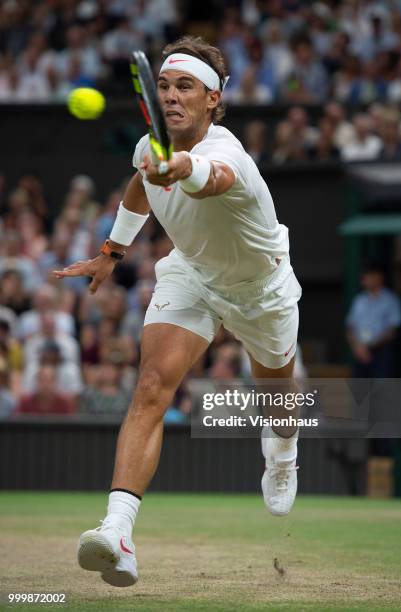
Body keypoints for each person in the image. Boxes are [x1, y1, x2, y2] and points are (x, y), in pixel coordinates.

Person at [54, 36, 302, 588]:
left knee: (279, 403)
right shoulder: (150, 148)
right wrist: (111, 253)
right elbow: (140, 186)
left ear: (213, 99)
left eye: (184, 86)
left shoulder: (228, 154)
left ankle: (283, 455)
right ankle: (117, 532)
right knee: (150, 387)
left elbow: (208, 177)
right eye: (163, 86)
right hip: (191, 272)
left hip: (261, 289)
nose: (170, 95)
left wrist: (179, 168)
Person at [346, 262, 401, 378]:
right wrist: (357, 347)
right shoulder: (359, 300)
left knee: (381, 391)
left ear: (378, 277)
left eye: (368, 275)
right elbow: (350, 327)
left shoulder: (390, 300)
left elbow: (392, 331)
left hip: (380, 352)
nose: (364, 279)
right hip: (359, 352)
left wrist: (370, 347)